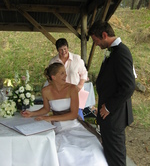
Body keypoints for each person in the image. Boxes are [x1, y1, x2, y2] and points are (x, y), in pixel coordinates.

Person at [21, 63, 108, 166]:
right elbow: (46, 109)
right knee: (63, 151)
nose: (66, 76)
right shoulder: (46, 91)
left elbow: (73, 114)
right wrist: (32, 113)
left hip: (74, 126)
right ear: (53, 77)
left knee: (92, 149)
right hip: (59, 128)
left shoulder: (72, 89)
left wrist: (49, 118)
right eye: (62, 73)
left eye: (65, 73)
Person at [88, 21, 135, 166]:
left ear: (104, 35)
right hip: (109, 116)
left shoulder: (121, 52)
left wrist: (108, 107)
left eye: (96, 41)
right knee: (110, 154)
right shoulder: (113, 51)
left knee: (116, 158)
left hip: (114, 116)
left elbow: (128, 86)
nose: (96, 45)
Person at [46, 38, 88, 120]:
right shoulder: (53, 62)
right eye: (61, 50)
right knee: (63, 117)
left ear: (68, 48)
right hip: (61, 95)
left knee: (78, 117)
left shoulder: (76, 59)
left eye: (65, 49)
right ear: (57, 50)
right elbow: (50, 78)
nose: (63, 51)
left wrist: (79, 86)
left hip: (76, 93)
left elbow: (84, 73)